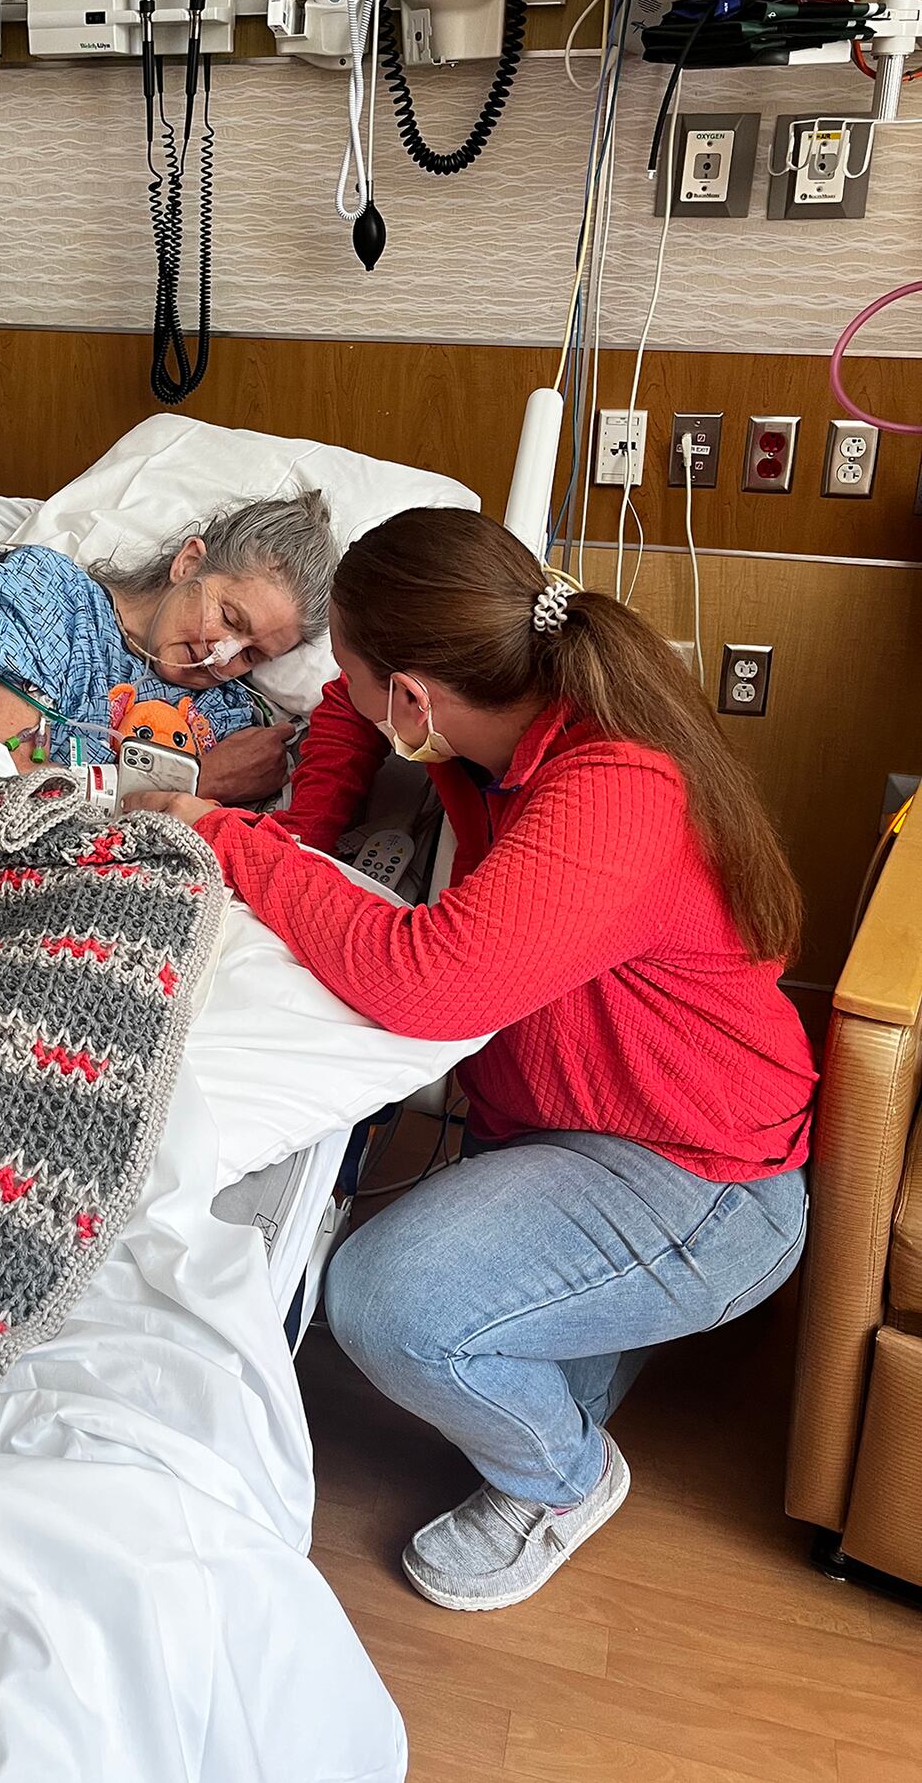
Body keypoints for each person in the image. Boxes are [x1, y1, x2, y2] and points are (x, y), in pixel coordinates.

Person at [125, 506, 816, 1610]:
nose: (332, 696)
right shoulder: (499, 720)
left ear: (415, 698)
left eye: (348, 675)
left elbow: (422, 979)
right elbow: (350, 726)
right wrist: (313, 800)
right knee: (487, 1333)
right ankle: (576, 1343)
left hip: (702, 1179)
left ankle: (564, 1481)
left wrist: (226, 836)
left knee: (387, 1302)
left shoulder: (611, 793)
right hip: (571, 1135)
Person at [0, 493, 335, 804]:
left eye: (252, 655)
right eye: (229, 619)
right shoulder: (49, 596)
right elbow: (9, 784)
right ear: (188, 564)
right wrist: (195, 782)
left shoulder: (223, 714)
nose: (223, 656)